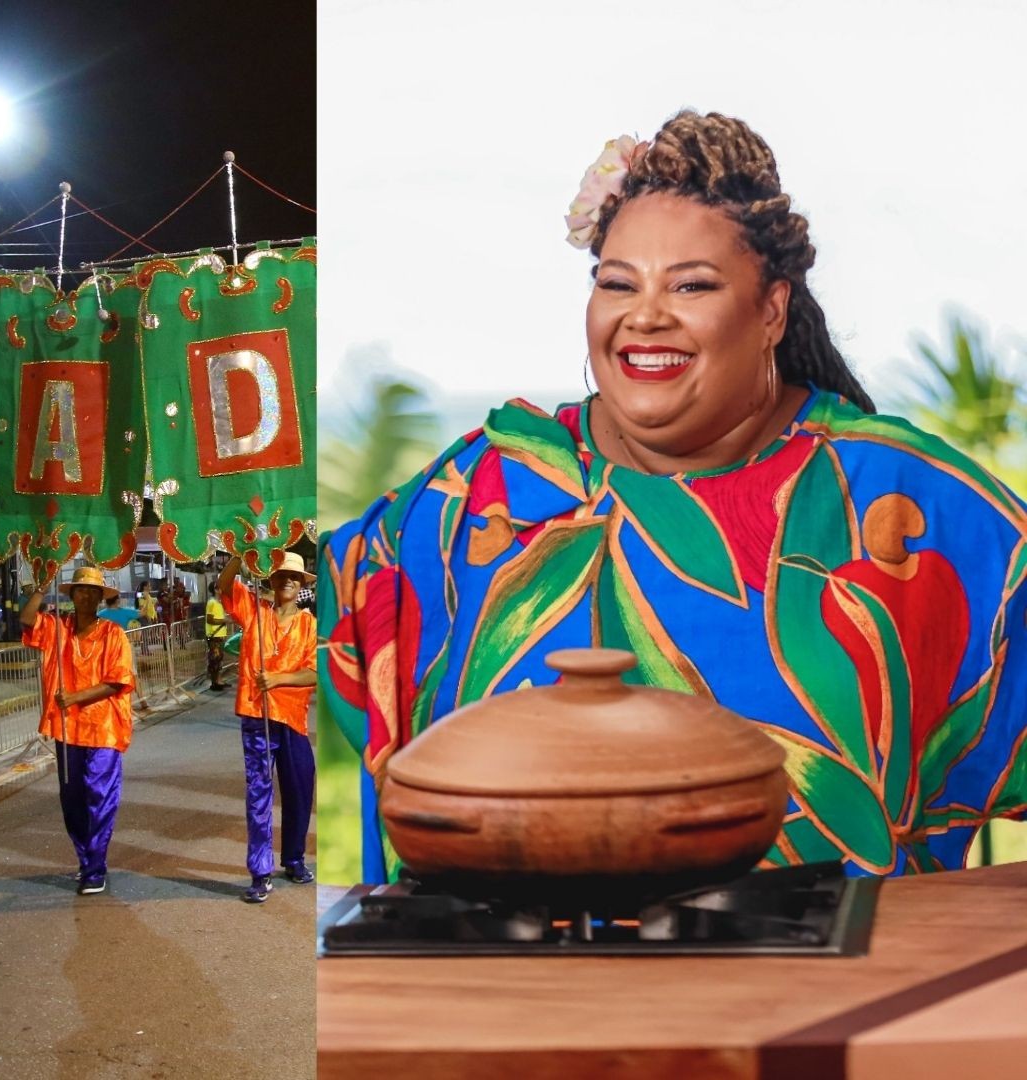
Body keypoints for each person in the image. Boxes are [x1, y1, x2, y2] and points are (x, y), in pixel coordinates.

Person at [321, 110, 1027, 884]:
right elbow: (330, 606)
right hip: (524, 991)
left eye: (691, 285)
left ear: (770, 311)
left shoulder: (898, 496)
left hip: (841, 990)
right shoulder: (485, 490)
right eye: (617, 283)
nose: (645, 315)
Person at [20, 567, 137, 895]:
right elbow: (28, 620)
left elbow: (118, 680)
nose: (86, 595)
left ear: (102, 597)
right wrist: (42, 589)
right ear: (71, 595)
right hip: (69, 729)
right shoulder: (58, 629)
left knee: (98, 797)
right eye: (80, 590)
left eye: (92, 591)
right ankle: (86, 860)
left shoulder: (113, 634)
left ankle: (95, 867)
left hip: (104, 728)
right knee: (71, 799)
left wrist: (73, 697)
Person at [218, 552, 318, 902]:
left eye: (294, 577)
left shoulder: (309, 625)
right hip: (256, 717)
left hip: (292, 719)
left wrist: (277, 679)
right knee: (259, 795)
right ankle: (260, 873)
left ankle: (293, 858)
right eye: (281, 575)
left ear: (302, 583)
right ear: (271, 581)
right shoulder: (253, 612)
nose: (287, 581)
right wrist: (239, 553)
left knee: (300, 789)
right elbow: (224, 586)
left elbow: (314, 672)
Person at [204, 581, 232, 691]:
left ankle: (218, 681)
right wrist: (224, 620)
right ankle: (214, 683)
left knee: (219, 659)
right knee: (215, 659)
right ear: (215, 589)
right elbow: (210, 620)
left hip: (219, 634)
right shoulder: (212, 603)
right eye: (220, 588)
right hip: (214, 635)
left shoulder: (219, 602)